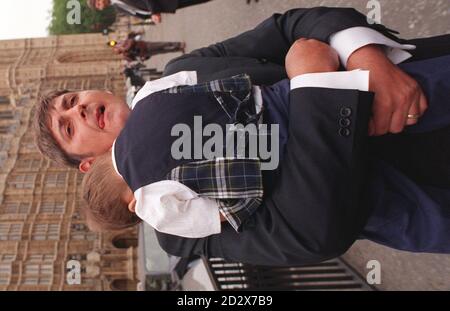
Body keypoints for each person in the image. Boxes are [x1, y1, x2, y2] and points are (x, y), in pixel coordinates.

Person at [34, 7, 450, 265]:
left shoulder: (179, 71)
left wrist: (365, 54)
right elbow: (311, 233)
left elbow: (290, 27)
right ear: (87, 165)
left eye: (72, 99)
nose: (79, 109)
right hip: (426, 190)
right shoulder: (175, 229)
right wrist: (314, 85)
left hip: (414, 78)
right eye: (69, 127)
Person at [87, 0, 212, 23]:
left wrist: (153, 11)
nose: (100, 6)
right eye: (98, 7)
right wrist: (147, 17)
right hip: (164, 6)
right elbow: (135, 11)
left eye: (98, 3)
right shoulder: (117, 7)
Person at [111, 33, 185, 62]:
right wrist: (127, 57)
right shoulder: (125, 54)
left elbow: (131, 41)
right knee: (162, 51)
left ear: (117, 47)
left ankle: (178, 44)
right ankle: (178, 49)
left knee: (162, 44)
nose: (119, 52)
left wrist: (126, 48)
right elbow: (133, 59)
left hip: (145, 45)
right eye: (118, 53)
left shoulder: (123, 43)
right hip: (145, 53)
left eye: (118, 50)